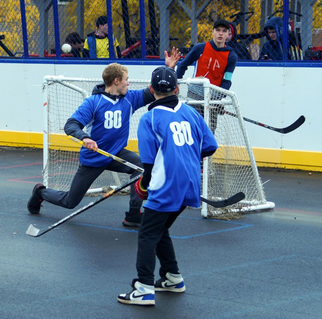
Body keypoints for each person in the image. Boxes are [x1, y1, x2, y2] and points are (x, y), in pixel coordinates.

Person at [27, 49, 182, 227]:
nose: (128, 83)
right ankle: (40, 192)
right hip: (94, 158)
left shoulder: (130, 99)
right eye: (126, 80)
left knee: (141, 167)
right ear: (116, 81)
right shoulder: (93, 102)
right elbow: (71, 125)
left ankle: (133, 214)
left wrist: (168, 69)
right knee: (70, 202)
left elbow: (156, 89)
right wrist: (84, 138)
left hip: (116, 154)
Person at [117, 66, 218, 306]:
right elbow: (210, 147)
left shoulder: (149, 118)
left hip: (166, 185)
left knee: (147, 232)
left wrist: (142, 186)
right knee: (160, 229)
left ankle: (143, 288)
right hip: (191, 183)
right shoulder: (192, 113)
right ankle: (172, 277)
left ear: (151, 90)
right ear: (177, 88)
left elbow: (149, 166)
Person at [175, 19, 237, 132]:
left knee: (209, 131)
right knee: (192, 128)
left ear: (228, 34)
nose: (220, 33)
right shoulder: (200, 48)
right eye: (217, 30)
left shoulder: (231, 56)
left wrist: (219, 99)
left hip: (213, 98)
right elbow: (182, 65)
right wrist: (176, 83)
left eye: (224, 31)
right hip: (194, 95)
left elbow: (227, 80)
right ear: (212, 32)